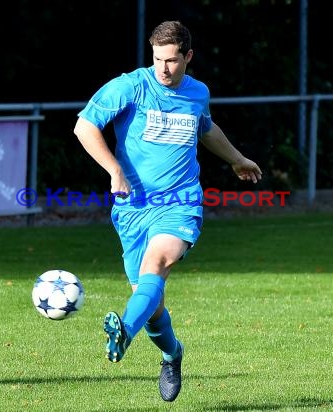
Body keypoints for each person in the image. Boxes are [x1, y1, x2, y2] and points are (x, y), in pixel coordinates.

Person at [73, 20, 262, 402]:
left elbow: (206, 129)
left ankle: (123, 331)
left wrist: (237, 159)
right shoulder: (130, 86)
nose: (164, 68)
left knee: (156, 265)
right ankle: (172, 355)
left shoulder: (198, 93)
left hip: (180, 203)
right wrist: (114, 170)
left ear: (188, 57)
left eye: (173, 60)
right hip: (132, 210)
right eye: (158, 59)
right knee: (152, 302)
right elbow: (84, 127)